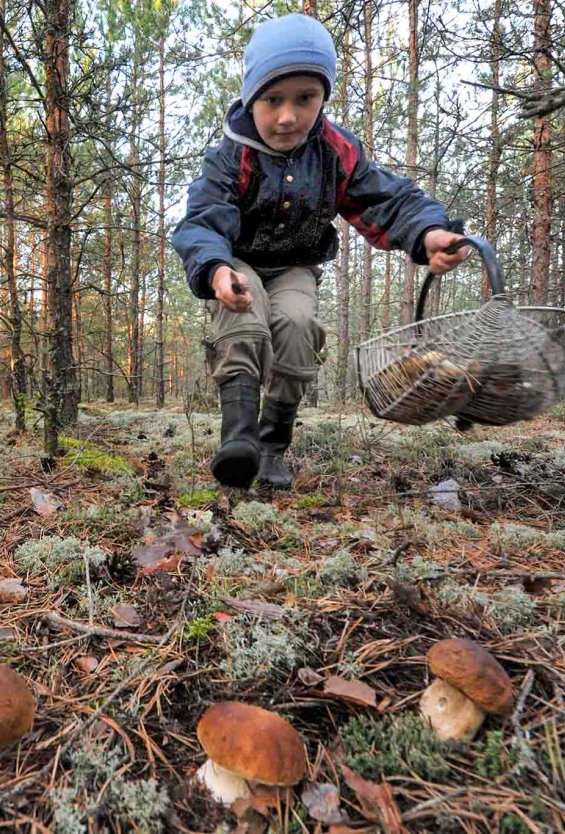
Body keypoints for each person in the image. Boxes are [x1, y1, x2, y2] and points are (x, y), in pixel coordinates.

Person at [172, 12, 470, 491]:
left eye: (305, 98)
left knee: (296, 328)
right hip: (237, 259)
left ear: (323, 97)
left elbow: (386, 200)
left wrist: (429, 232)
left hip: (294, 265)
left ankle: (272, 447)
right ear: (252, 97)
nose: (288, 116)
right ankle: (239, 441)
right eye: (273, 99)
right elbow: (204, 218)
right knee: (244, 322)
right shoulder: (231, 153)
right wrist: (215, 269)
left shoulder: (335, 152)